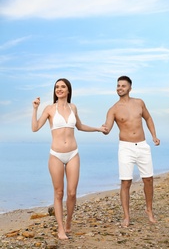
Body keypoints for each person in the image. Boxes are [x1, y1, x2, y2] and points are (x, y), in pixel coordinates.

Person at [32, 78, 106, 240]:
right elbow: (35, 128)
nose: (59, 89)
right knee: (59, 193)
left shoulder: (73, 107)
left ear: (68, 90)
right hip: (56, 155)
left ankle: (68, 222)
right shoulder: (49, 109)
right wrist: (35, 109)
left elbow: (80, 126)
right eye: (57, 87)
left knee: (72, 193)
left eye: (62, 87)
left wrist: (98, 129)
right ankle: (60, 228)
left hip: (73, 153)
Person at [103, 75, 160, 227]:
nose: (119, 88)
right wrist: (103, 129)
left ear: (129, 88)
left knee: (148, 179)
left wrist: (154, 136)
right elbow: (107, 128)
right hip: (125, 147)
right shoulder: (113, 109)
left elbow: (148, 118)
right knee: (126, 182)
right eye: (118, 86)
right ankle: (126, 216)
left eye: (123, 86)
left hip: (142, 145)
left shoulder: (139, 102)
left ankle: (149, 210)